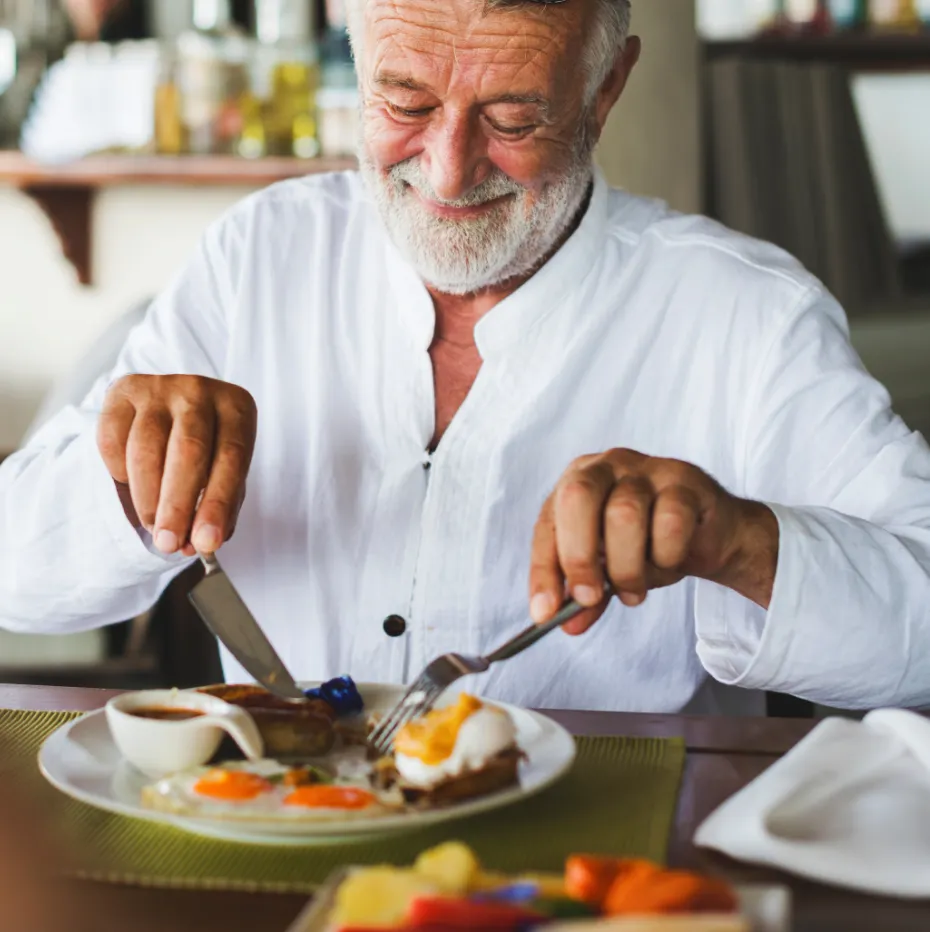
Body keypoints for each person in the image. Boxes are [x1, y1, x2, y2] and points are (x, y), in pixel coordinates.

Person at [2, 0, 930, 715]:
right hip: (280, 841)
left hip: (608, 877)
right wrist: (125, 480)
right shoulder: (259, 258)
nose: (448, 170)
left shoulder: (748, 314)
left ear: (605, 91)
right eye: (403, 101)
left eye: (514, 120)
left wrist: (741, 542)